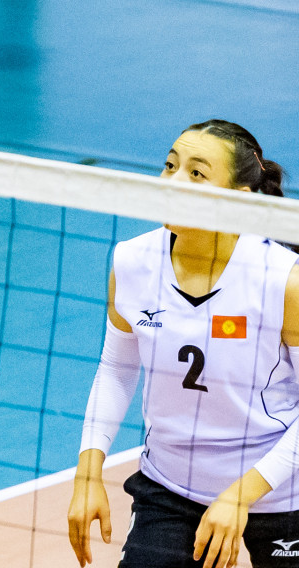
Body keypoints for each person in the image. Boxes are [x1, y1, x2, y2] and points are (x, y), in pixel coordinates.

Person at [69, 121, 299, 568]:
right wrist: (88, 471)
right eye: (170, 165)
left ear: (237, 198)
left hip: (280, 491)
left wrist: (241, 495)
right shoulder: (132, 261)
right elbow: (117, 367)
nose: (173, 181)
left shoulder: (283, 281)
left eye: (196, 173)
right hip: (173, 487)